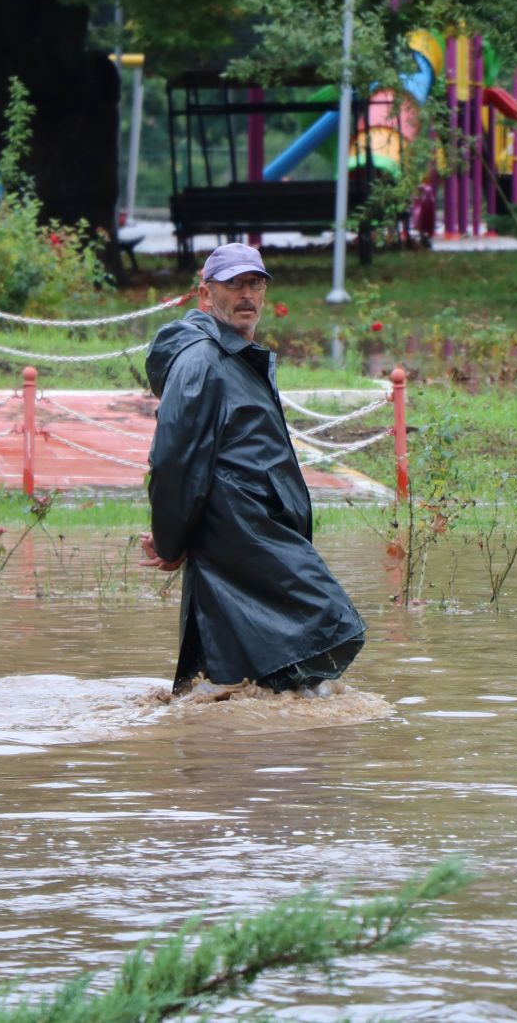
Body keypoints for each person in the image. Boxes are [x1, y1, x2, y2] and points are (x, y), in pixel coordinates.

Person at [139, 243, 366, 696]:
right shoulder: (202, 361)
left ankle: (234, 742)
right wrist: (169, 539)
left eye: (255, 283)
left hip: (249, 532)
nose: (247, 294)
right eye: (233, 284)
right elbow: (173, 461)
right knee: (331, 621)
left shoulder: (237, 355)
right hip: (242, 531)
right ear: (206, 295)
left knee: (237, 664)